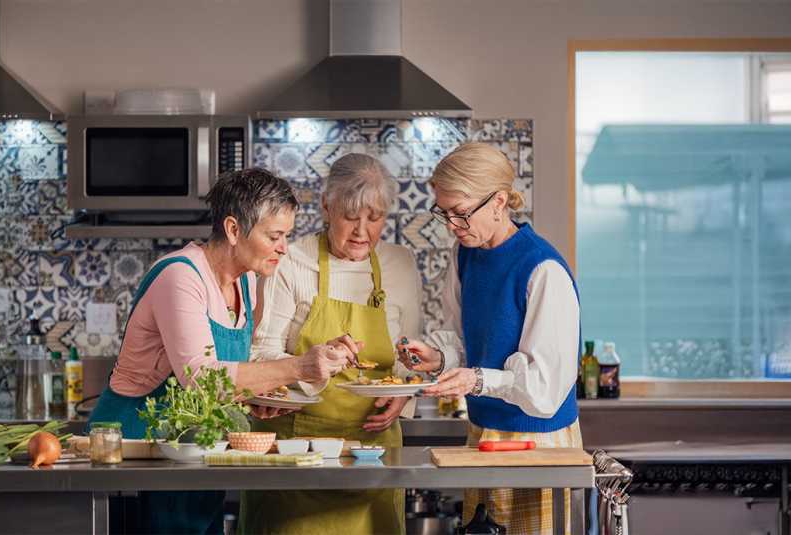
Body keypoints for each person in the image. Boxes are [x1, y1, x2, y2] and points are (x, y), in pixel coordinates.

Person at [86, 168, 351, 534]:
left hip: (195, 452)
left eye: (286, 236)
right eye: (274, 236)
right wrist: (301, 367)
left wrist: (254, 395)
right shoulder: (180, 277)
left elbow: (232, 373)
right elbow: (202, 377)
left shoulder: (246, 282)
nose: (283, 248)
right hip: (135, 455)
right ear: (233, 229)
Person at [397, 142, 582, 535]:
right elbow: (470, 341)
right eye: (444, 213)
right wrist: (440, 357)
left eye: (461, 214)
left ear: (499, 202)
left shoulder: (543, 269)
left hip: (537, 444)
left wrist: (476, 379)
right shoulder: (465, 255)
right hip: (482, 435)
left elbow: (544, 391)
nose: (451, 225)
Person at [239, 153, 423, 534]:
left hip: (373, 455)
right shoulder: (291, 260)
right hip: (297, 453)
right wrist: (309, 364)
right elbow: (259, 353)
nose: (362, 231)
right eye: (350, 217)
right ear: (326, 205)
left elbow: (410, 355)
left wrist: (404, 396)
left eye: (374, 218)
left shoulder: (400, 264)